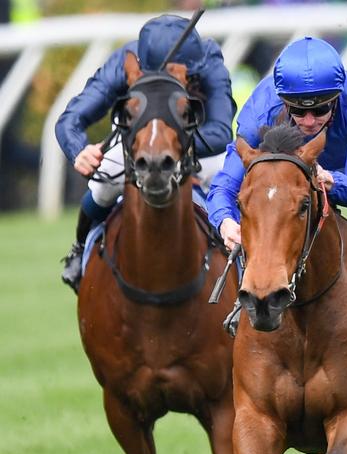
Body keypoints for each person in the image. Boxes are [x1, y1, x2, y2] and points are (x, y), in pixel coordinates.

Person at [207, 36, 347, 339]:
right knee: (266, 211)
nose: (309, 121)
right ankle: (250, 296)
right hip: (299, 159)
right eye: (299, 112)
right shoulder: (260, 111)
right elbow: (226, 184)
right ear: (283, 101)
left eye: (321, 110)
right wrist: (224, 221)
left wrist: (330, 180)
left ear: (337, 98)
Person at [56, 14, 236, 293]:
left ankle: (250, 258)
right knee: (103, 186)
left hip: (196, 142)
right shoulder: (123, 62)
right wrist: (79, 149)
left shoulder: (208, 60)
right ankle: (79, 250)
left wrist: (173, 145)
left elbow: (221, 130)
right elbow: (71, 120)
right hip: (137, 142)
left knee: (239, 181)